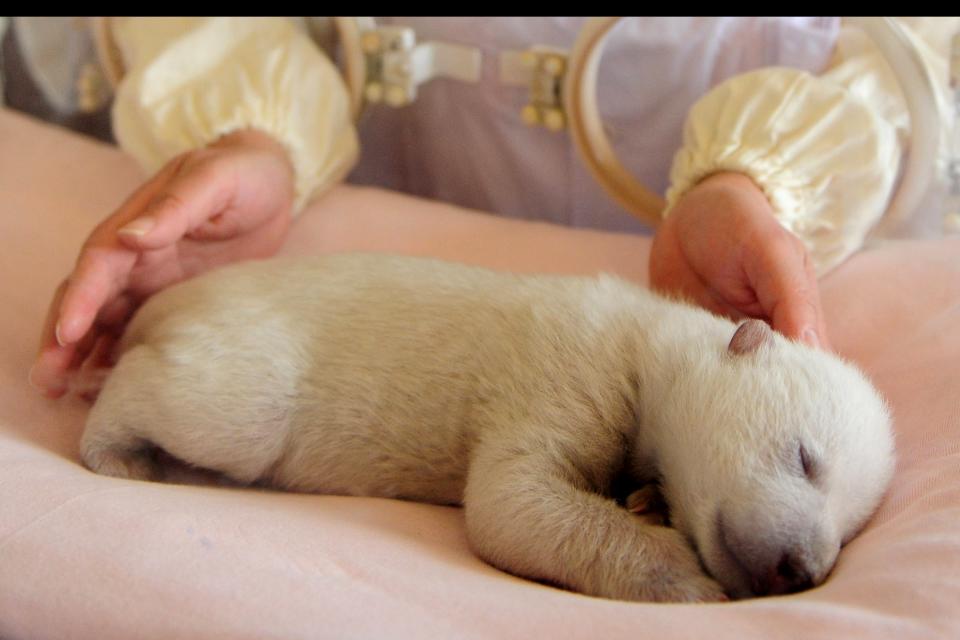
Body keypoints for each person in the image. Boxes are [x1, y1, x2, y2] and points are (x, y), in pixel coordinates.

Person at [24, 17, 957, 398]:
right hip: (364, 282)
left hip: (723, 291)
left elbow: (913, 60)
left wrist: (759, 184)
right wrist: (254, 135)